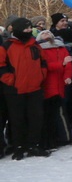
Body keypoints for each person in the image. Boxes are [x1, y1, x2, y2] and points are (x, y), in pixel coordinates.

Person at [0, 17, 49, 159]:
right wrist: (11, 80)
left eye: (29, 28)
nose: (29, 30)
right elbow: (1, 66)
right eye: (26, 28)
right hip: (15, 90)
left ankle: (34, 145)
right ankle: (19, 148)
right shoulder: (6, 46)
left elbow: (43, 62)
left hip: (35, 88)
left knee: (36, 119)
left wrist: (41, 76)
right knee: (17, 120)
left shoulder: (35, 45)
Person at [35, 29, 72, 149]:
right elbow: (45, 66)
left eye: (48, 33)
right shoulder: (39, 49)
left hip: (60, 85)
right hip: (46, 85)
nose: (47, 34)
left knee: (59, 113)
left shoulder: (61, 48)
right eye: (44, 33)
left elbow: (69, 64)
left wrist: (67, 76)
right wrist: (61, 63)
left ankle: (63, 138)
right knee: (47, 115)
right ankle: (49, 140)